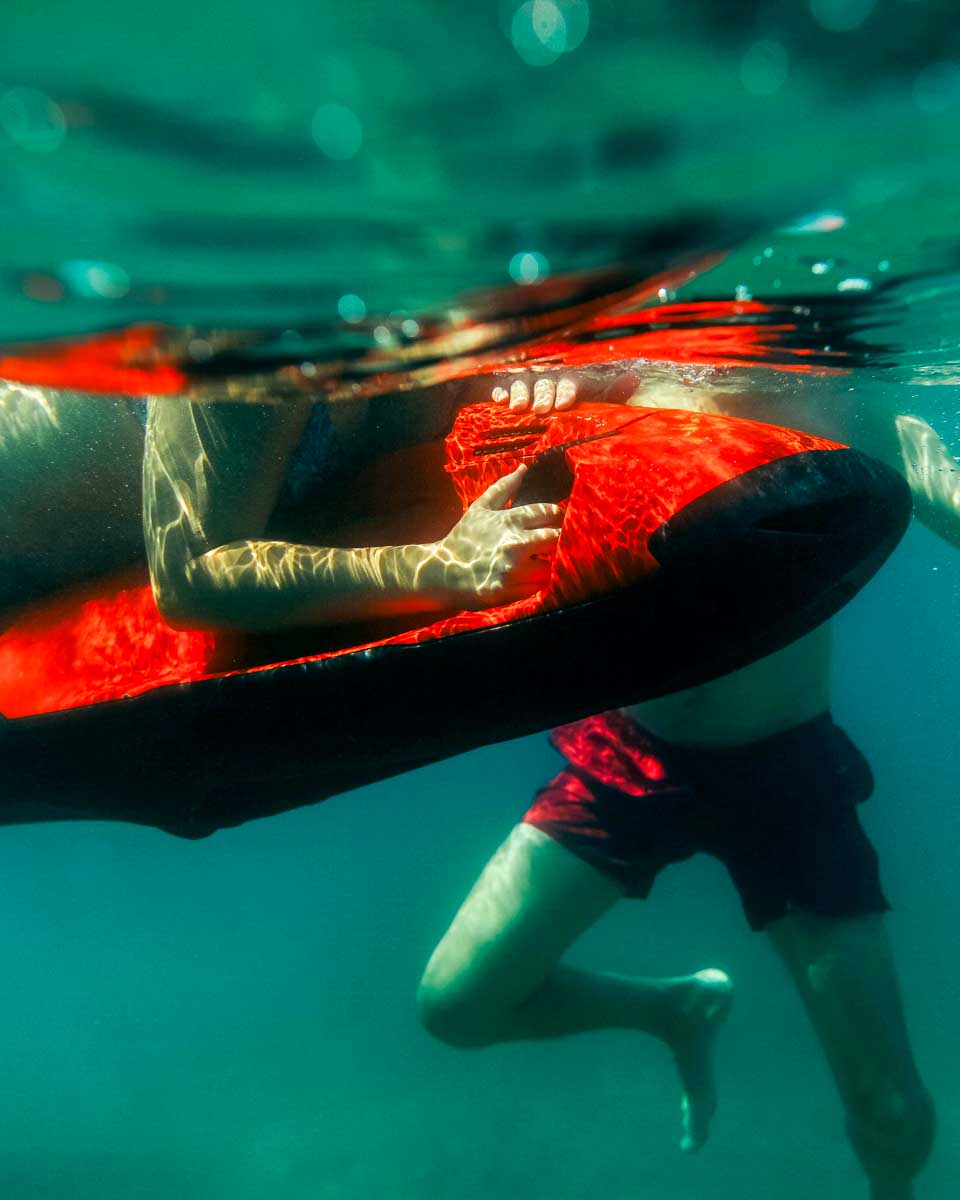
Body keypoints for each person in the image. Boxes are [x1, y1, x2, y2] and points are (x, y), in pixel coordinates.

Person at [416, 370, 940, 1199]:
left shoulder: (827, 392)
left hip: (788, 779)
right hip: (629, 754)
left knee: (892, 1113)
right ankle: (670, 1008)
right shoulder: (605, 376)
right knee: (458, 1005)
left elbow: (938, 485)